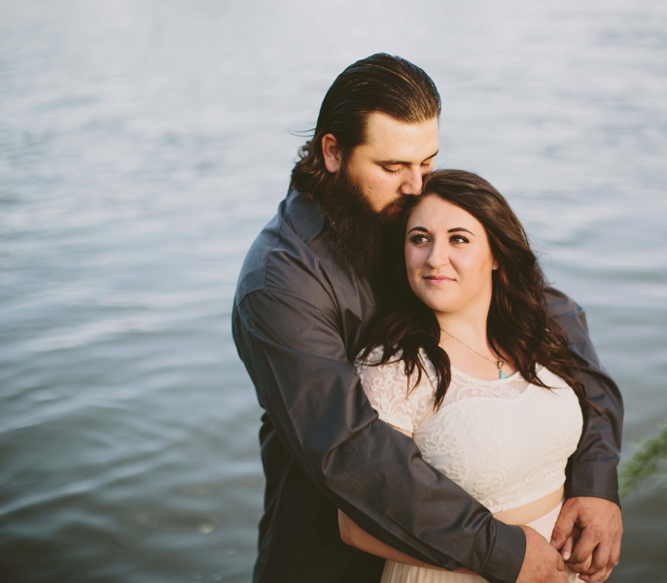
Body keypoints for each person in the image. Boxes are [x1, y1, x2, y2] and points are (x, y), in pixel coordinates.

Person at [232, 53, 623, 583]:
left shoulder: (414, 212)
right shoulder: (280, 282)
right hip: (334, 560)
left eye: (427, 163)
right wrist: (503, 551)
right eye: (392, 167)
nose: (416, 187)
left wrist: (596, 482)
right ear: (332, 152)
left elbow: (557, 328)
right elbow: (350, 451)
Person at [338, 169, 603, 583]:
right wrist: (509, 565)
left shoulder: (536, 336)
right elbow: (355, 526)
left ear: (496, 254)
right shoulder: (394, 366)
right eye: (419, 238)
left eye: (458, 239)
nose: (434, 257)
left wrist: (599, 499)